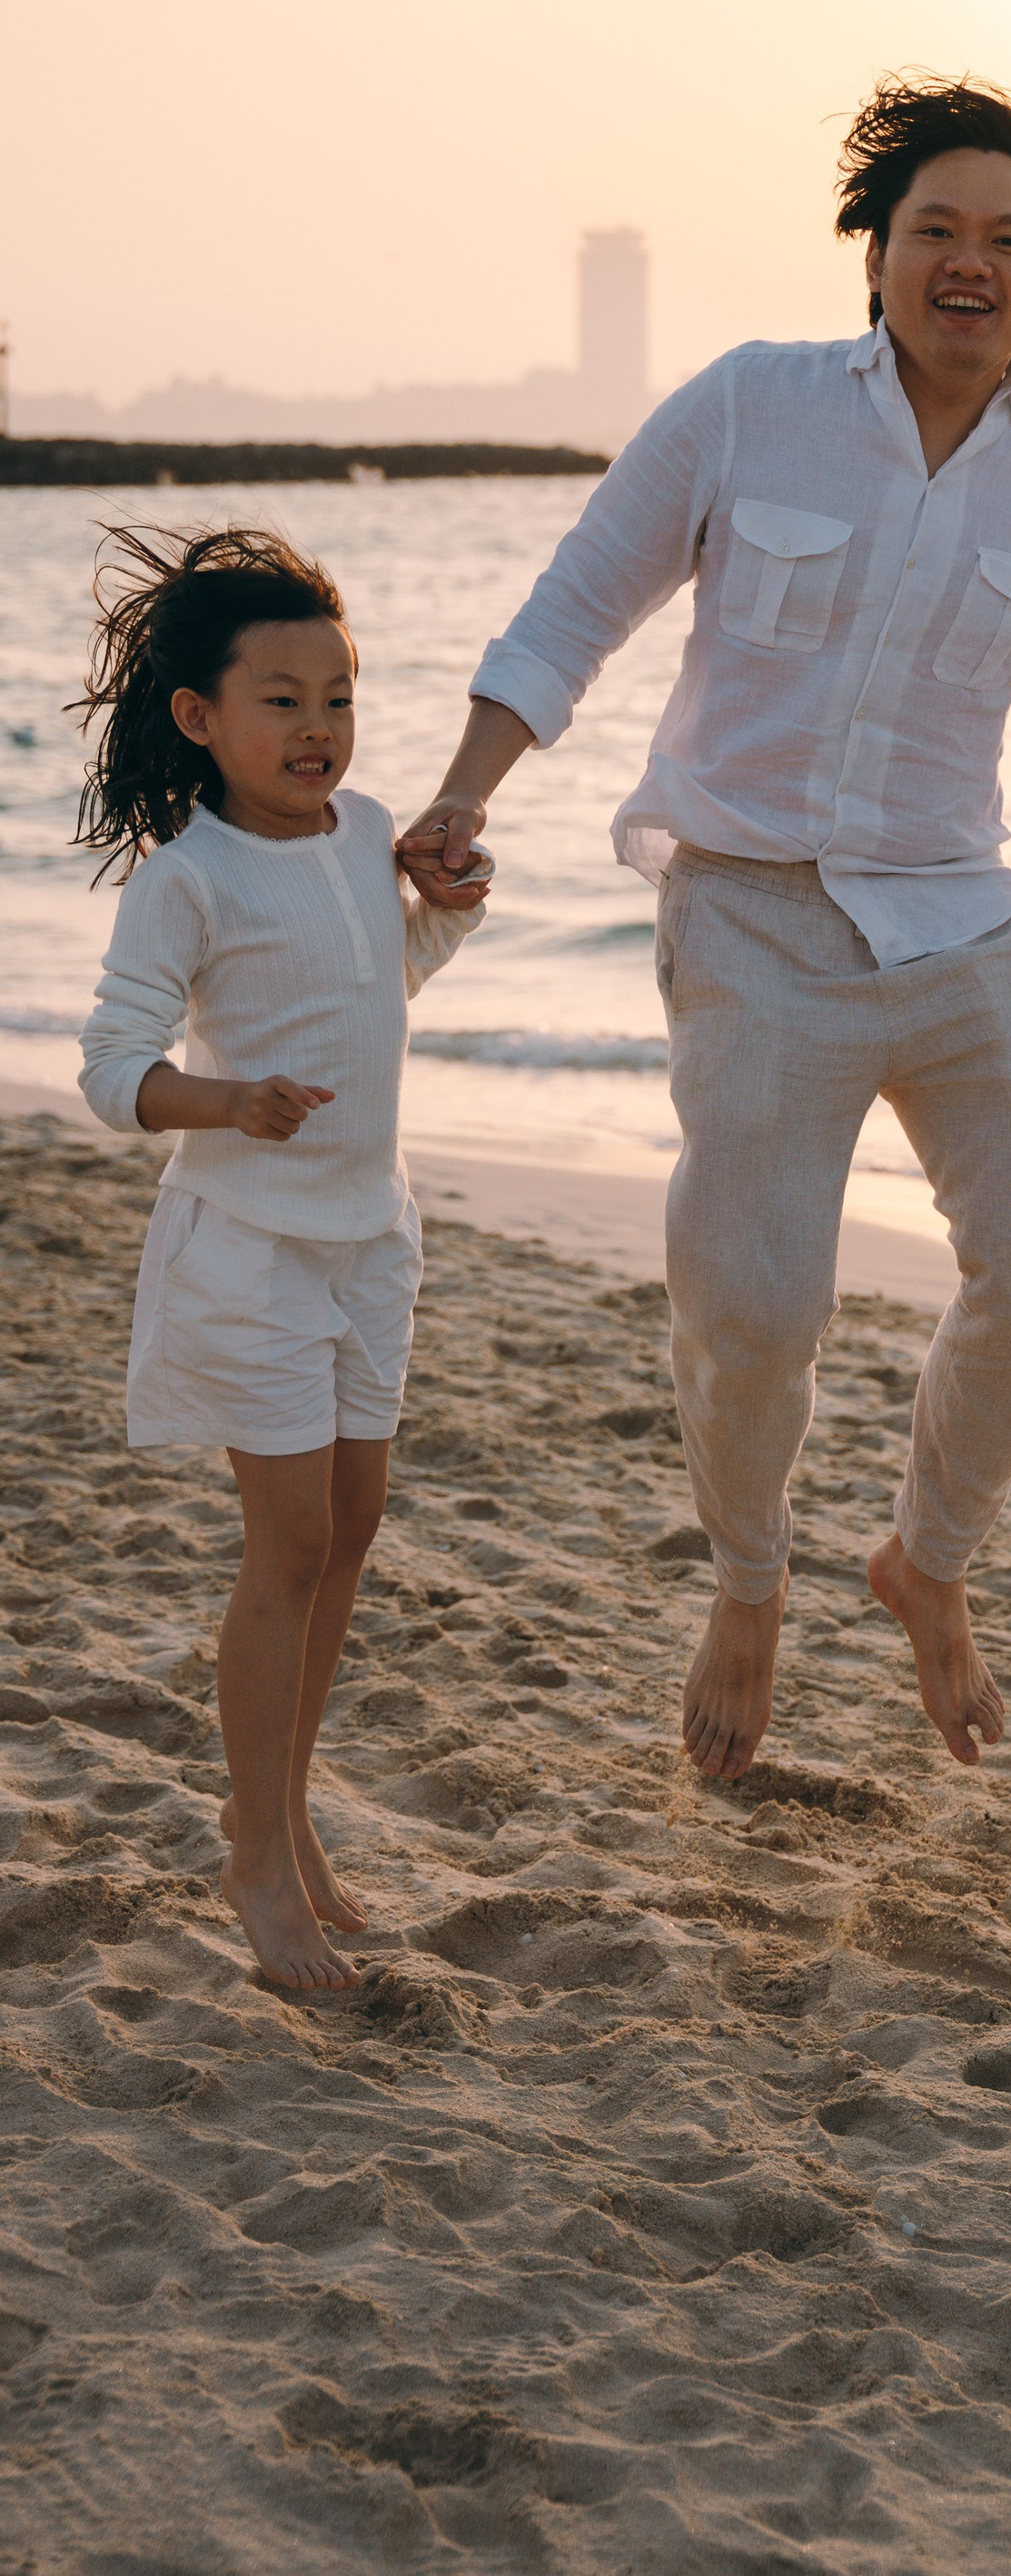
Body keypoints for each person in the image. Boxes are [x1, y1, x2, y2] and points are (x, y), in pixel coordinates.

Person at [397, 76, 1011, 1781]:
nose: (970, 263)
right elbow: (582, 600)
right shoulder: (748, 407)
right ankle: (752, 1580)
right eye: (937, 230)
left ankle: (925, 1560)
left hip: (960, 927)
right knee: (757, 1299)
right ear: (877, 252)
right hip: (753, 912)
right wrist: (468, 792)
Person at [73, 526, 491, 1998]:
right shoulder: (184, 880)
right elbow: (113, 1069)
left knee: (356, 1522)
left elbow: (378, 979)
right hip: (247, 1245)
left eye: (340, 695)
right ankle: (254, 1850)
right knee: (291, 1542)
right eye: (281, 699)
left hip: (369, 1235)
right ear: (199, 716)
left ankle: (292, 1811)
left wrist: (445, 905)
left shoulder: (360, 824)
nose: (318, 728)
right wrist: (223, 1098)